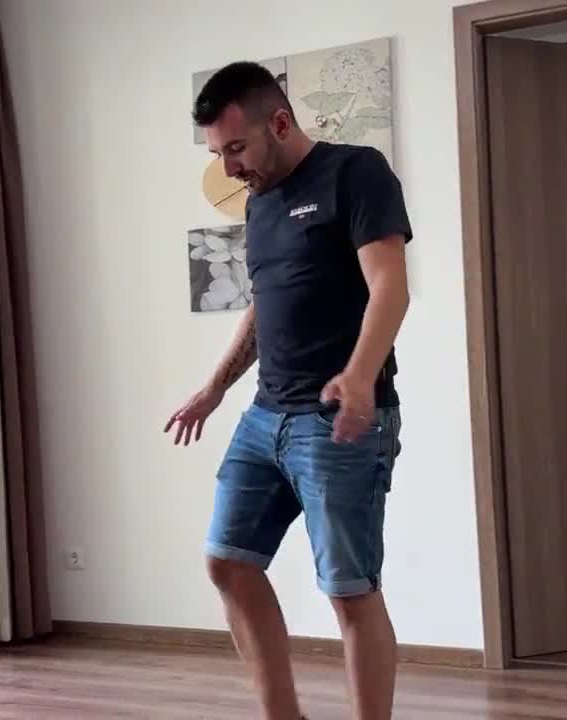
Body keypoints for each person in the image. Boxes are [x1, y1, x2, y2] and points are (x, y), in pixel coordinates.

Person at [165, 61, 412, 720]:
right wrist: (215, 388)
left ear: (279, 123)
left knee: (349, 590)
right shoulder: (259, 203)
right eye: (217, 155)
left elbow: (389, 284)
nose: (229, 168)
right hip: (264, 416)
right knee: (227, 562)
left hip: (336, 419)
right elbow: (264, 306)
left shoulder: (356, 172)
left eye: (236, 148)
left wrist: (359, 375)